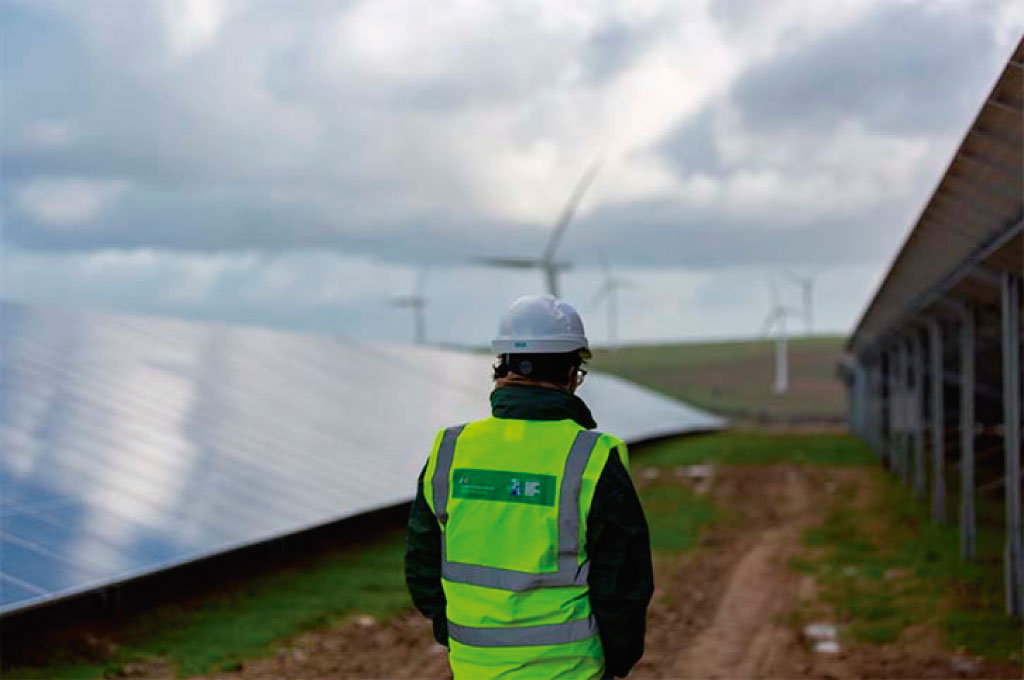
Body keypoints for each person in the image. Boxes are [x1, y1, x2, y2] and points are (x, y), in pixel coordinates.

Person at [405, 294, 653, 679]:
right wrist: (617, 660)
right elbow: (622, 585)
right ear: (571, 373)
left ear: (501, 368)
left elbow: (423, 567)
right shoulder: (592, 458)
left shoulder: (451, 451)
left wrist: (458, 635)